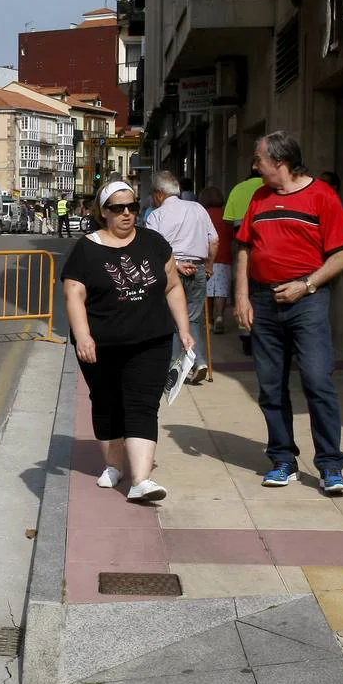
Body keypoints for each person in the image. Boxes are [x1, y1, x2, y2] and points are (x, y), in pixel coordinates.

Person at [234, 131, 343, 494]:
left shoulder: (323, 196)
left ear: (280, 162)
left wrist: (307, 284)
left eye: (259, 159)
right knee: (271, 386)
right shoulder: (259, 197)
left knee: (318, 381)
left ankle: (330, 466)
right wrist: (242, 297)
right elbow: (243, 248)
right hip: (263, 300)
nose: (255, 165)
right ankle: (283, 459)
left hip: (308, 301)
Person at [62, 180, 196, 503]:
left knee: (142, 404)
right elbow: (73, 294)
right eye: (117, 208)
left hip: (151, 340)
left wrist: (184, 328)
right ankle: (113, 464)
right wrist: (83, 336)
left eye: (132, 207)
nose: (126, 214)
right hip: (101, 345)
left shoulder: (154, 243)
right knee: (107, 403)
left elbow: (173, 286)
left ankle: (141, 480)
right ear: (103, 213)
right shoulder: (86, 249)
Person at [146, 170, 219, 383]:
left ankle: (175, 368)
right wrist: (209, 265)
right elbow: (214, 240)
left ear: (159, 194)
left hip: (172, 270)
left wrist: (176, 264)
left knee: (171, 318)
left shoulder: (156, 215)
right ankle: (199, 361)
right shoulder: (198, 208)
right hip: (197, 269)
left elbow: (153, 249)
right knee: (193, 318)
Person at [223, 167, 264, 355]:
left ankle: (245, 331)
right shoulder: (269, 188)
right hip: (264, 244)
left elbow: (228, 220)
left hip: (240, 242)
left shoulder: (238, 189)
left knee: (242, 286)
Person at [199, 186, 234, 334]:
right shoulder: (227, 214)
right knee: (221, 290)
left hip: (207, 258)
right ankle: (220, 316)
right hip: (224, 256)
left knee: (207, 291)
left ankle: (209, 321)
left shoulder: (203, 215)